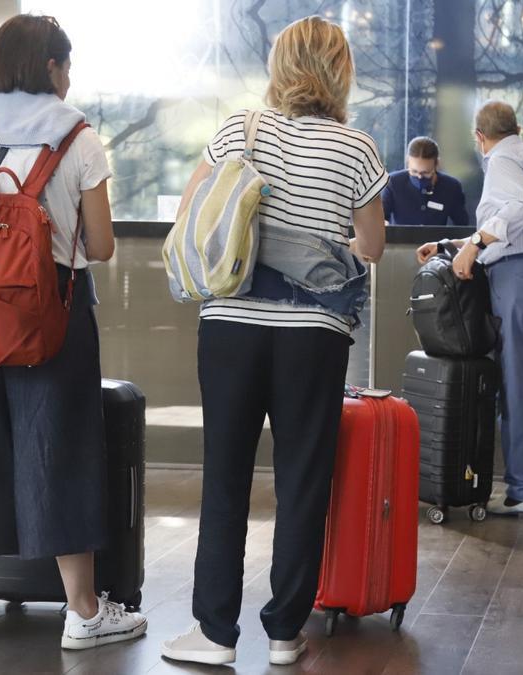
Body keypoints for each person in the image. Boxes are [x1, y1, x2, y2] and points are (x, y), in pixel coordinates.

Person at [161, 16, 386, 667]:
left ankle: (214, 633)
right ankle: (286, 632)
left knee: (225, 476)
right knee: (303, 480)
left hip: (230, 325)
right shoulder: (358, 148)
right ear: (339, 72)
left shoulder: (239, 128)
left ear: (279, 66)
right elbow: (370, 247)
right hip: (312, 337)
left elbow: (192, 215)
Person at [0, 14, 146, 649]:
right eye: (66, 64)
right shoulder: (78, 138)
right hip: (52, 312)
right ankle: (82, 612)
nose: (70, 77)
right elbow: (100, 246)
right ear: (48, 67)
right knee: (60, 446)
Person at [417, 101, 523, 516]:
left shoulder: (501, 160)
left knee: (514, 387)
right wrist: (454, 246)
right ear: (515, 127)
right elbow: (516, 221)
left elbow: (518, 210)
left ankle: (522, 490)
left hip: (518, 280)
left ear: (479, 137)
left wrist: (477, 246)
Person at [382, 136, 469, 225]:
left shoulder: (451, 187)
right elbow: (380, 218)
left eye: (425, 173)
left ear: (436, 164)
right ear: (408, 162)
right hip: (400, 238)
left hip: (437, 238)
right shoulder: (393, 183)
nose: (419, 177)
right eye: (414, 171)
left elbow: (461, 225)